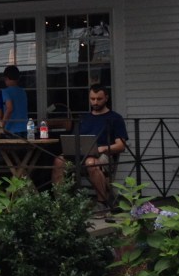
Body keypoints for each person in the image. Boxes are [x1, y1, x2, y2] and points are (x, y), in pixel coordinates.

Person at [52, 83, 128, 215]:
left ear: (106, 98)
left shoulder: (115, 118)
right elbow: (74, 139)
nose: (95, 102)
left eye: (99, 99)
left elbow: (121, 145)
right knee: (59, 161)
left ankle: (101, 204)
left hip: (102, 155)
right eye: (92, 99)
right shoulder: (84, 118)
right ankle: (60, 202)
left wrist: (102, 148)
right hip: (80, 154)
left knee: (91, 163)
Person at [1, 65, 28, 137]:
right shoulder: (23, 91)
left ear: (6, 78)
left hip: (12, 129)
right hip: (24, 127)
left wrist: (2, 125)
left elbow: (9, 108)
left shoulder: (5, 92)